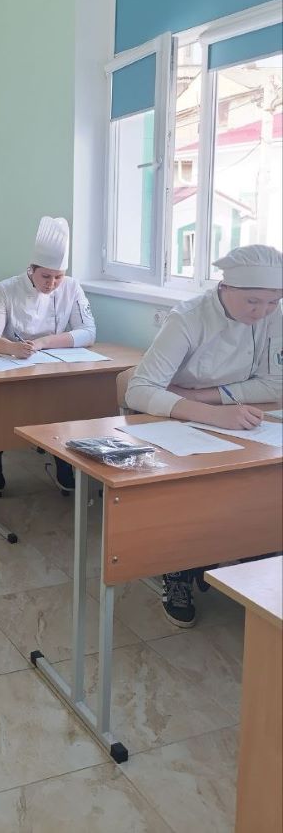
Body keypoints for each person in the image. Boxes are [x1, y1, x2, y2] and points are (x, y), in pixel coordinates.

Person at [126, 243, 283, 628]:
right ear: (224, 288)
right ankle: (178, 571)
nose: (262, 312)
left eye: (272, 301)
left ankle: (253, 554)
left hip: (229, 412)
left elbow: (275, 383)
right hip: (172, 417)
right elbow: (139, 390)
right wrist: (210, 413)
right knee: (191, 492)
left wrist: (208, 398)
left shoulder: (274, 317)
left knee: (262, 483)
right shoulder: (188, 317)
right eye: (252, 302)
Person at [0, 215, 96, 493]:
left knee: (64, 407)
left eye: (58, 277)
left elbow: (89, 332)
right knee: (0, 415)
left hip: (50, 365)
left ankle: (63, 463)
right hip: (9, 367)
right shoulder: (5, 289)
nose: (52, 283)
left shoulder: (72, 287)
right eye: (46, 276)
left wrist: (43, 342)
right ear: (31, 269)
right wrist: (12, 348)